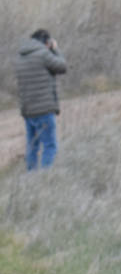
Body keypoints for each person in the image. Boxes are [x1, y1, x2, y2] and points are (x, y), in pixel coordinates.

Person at [15, 28, 67, 170]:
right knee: (50, 146)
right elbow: (62, 66)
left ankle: (31, 178)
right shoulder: (43, 54)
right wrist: (55, 49)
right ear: (46, 42)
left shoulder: (20, 57)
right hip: (44, 109)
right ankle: (45, 178)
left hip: (28, 110)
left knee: (32, 146)